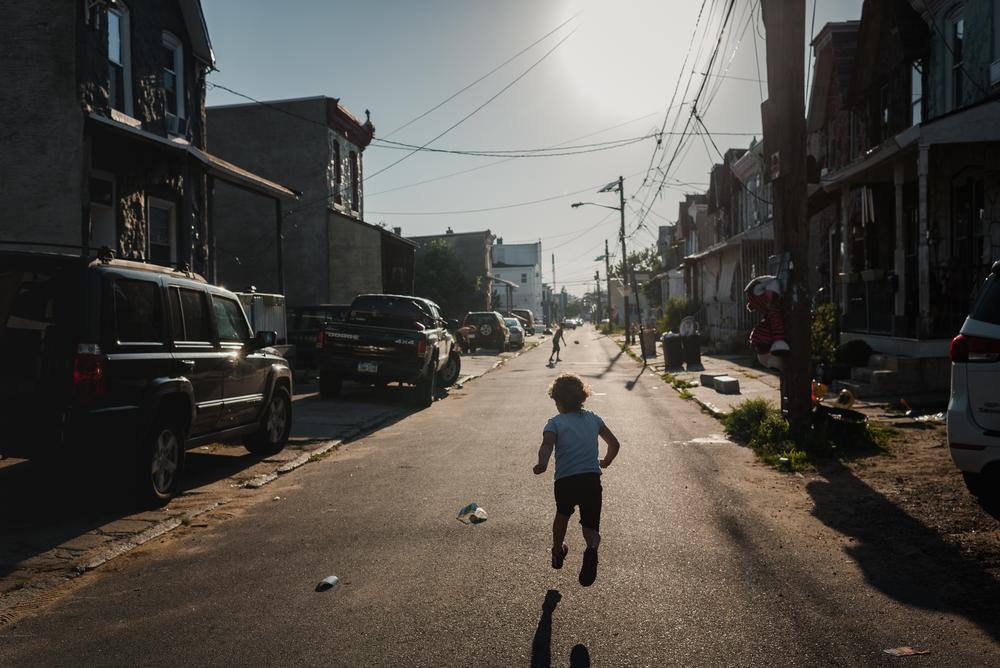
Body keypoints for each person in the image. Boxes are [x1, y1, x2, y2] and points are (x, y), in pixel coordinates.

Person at [532, 374, 621, 586]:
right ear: (582, 397)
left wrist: (542, 464)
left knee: (562, 515)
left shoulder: (554, 423)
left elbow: (547, 445)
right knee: (591, 527)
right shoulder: (593, 418)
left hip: (565, 480)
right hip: (591, 480)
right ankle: (591, 549)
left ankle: (557, 550)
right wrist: (606, 461)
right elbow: (614, 444)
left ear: (558, 401)